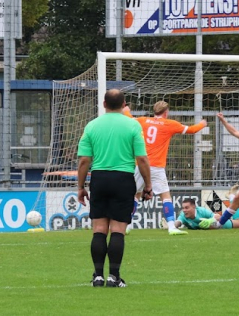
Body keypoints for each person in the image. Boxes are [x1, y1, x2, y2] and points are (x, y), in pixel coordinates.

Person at [77, 89, 153, 287]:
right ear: (124, 104)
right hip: (123, 179)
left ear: (104, 104)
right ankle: (114, 277)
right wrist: (148, 185)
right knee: (118, 230)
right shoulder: (132, 125)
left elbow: (84, 160)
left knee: (99, 229)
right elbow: (142, 159)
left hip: (99, 178)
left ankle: (98, 276)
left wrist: (80, 187)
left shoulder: (92, 126)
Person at [123, 101, 207, 235]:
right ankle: (171, 227)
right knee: (165, 196)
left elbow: (128, 118)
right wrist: (203, 124)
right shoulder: (170, 124)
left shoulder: (143, 121)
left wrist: (126, 108)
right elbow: (192, 130)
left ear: (154, 111)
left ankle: (127, 225)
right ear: (166, 112)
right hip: (156, 166)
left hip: (141, 164)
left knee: (135, 195)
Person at [175, 198, 239, 230]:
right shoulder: (183, 215)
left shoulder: (201, 211)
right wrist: (172, 226)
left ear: (194, 207)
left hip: (220, 224)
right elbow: (178, 222)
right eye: (183, 208)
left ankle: (232, 198)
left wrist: (209, 221)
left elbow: (218, 217)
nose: (184, 210)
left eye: (186, 208)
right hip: (213, 228)